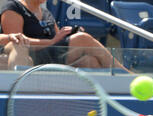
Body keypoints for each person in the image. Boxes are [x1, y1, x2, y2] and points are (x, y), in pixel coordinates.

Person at [0, 0, 128, 71]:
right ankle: (125, 75)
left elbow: (57, 39)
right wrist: (52, 42)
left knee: (90, 61)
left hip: (51, 55)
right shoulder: (13, 7)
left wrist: (67, 34)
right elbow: (18, 41)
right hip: (31, 56)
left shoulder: (46, 12)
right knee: (82, 39)